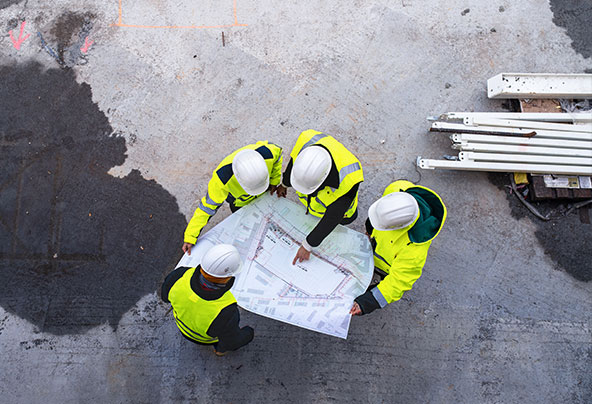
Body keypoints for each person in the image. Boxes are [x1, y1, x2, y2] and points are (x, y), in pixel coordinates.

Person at [350, 180, 446, 316]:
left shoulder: (414, 252)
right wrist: (370, 230)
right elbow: (378, 214)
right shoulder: (396, 189)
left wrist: (368, 302)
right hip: (376, 247)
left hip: (386, 268)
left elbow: (398, 281)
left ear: (400, 227)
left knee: (385, 283)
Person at [182, 141, 283, 255]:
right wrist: (190, 236)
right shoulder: (221, 180)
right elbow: (206, 209)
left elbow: (278, 159)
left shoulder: (268, 153)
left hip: (264, 190)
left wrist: (274, 182)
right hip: (239, 204)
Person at [280, 130, 364, 265]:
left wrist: (308, 245)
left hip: (344, 213)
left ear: (324, 180)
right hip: (317, 203)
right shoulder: (306, 140)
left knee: (346, 220)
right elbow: (294, 163)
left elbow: (333, 217)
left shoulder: (349, 178)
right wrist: (284, 183)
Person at [161, 244, 254, 356]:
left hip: (181, 327)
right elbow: (231, 342)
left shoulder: (179, 276)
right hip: (204, 340)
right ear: (228, 277)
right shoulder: (226, 310)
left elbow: (164, 297)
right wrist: (248, 334)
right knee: (223, 341)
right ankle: (219, 351)